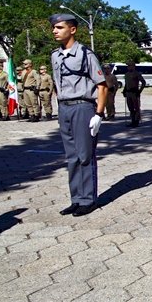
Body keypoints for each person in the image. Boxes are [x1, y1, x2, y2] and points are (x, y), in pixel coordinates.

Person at [49, 13, 108, 217]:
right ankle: (76, 198)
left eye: (60, 27)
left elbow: (102, 86)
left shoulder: (85, 54)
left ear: (72, 29)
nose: (55, 31)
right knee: (71, 156)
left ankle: (88, 199)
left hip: (83, 107)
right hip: (64, 107)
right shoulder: (55, 55)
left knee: (85, 155)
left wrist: (99, 114)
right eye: (54, 28)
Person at [123, 61, 146, 127]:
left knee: (136, 108)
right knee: (130, 108)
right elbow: (126, 84)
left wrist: (139, 91)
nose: (128, 67)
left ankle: (136, 121)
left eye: (130, 65)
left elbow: (143, 82)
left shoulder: (137, 74)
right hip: (128, 93)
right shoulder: (126, 74)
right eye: (128, 66)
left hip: (134, 92)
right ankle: (132, 121)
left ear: (133, 66)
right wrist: (124, 91)